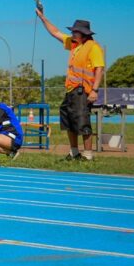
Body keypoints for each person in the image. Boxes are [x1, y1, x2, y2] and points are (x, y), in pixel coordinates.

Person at [37, 10, 105, 161]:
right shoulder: (75, 45)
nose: (73, 34)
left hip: (83, 91)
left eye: (76, 32)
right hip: (71, 90)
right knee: (68, 121)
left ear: (84, 33)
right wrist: (43, 17)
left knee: (82, 121)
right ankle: (74, 152)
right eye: (73, 31)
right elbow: (55, 32)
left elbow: (99, 68)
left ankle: (88, 155)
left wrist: (94, 90)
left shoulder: (93, 47)